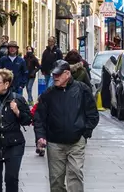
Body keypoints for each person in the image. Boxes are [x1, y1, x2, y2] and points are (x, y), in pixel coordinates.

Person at [33, 61, 98, 192]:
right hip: (54, 143)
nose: (55, 77)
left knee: (75, 175)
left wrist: (85, 134)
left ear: (67, 74)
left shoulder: (81, 89)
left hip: (76, 141)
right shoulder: (48, 94)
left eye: (58, 74)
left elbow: (93, 114)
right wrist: (40, 137)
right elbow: (39, 118)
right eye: (53, 74)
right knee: (56, 180)